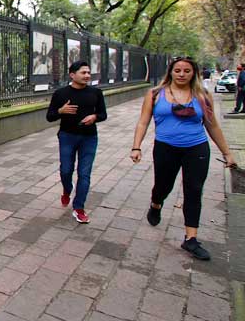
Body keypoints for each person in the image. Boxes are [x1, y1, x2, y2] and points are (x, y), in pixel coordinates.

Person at [130, 56, 236, 260]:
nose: (181, 74)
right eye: (177, 70)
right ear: (170, 72)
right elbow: (143, 122)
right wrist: (136, 147)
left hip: (196, 148)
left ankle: (191, 239)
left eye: (187, 71)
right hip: (165, 148)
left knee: (194, 190)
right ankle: (156, 203)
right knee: (163, 186)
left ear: (193, 73)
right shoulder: (155, 94)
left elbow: (212, 125)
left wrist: (227, 152)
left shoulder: (203, 95)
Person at [46, 61, 107, 223]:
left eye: (88, 73)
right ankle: (67, 190)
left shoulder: (96, 93)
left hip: (89, 138)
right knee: (66, 170)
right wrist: (61, 111)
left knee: (84, 173)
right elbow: (50, 116)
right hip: (67, 136)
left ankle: (79, 207)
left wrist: (94, 117)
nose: (87, 75)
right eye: (83, 73)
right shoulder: (61, 94)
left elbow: (103, 114)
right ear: (72, 75)